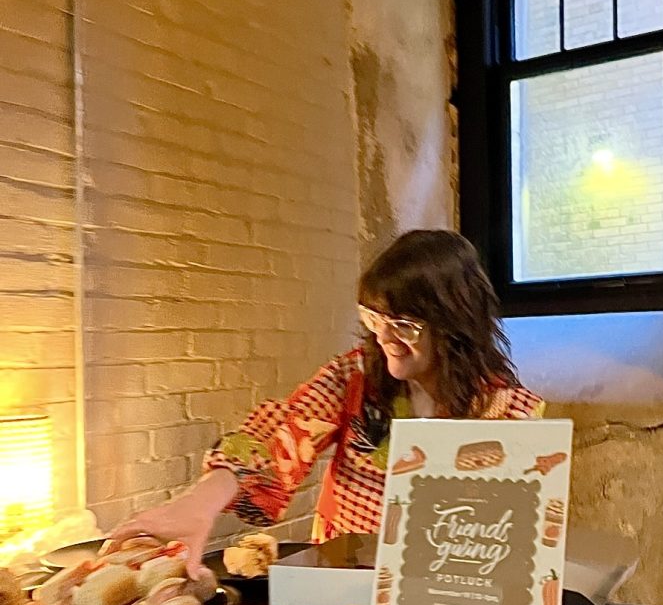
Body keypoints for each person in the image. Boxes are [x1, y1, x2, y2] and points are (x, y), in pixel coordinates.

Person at [108, 229, 545, 576]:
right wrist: (200, 501)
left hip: (440, 594)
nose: (383, 337)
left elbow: (508, 537)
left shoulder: (505, 411)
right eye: (373, 318)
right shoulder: (354, 376)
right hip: (342, 584)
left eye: (403, 325)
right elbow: (284, 429)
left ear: (454, 323)